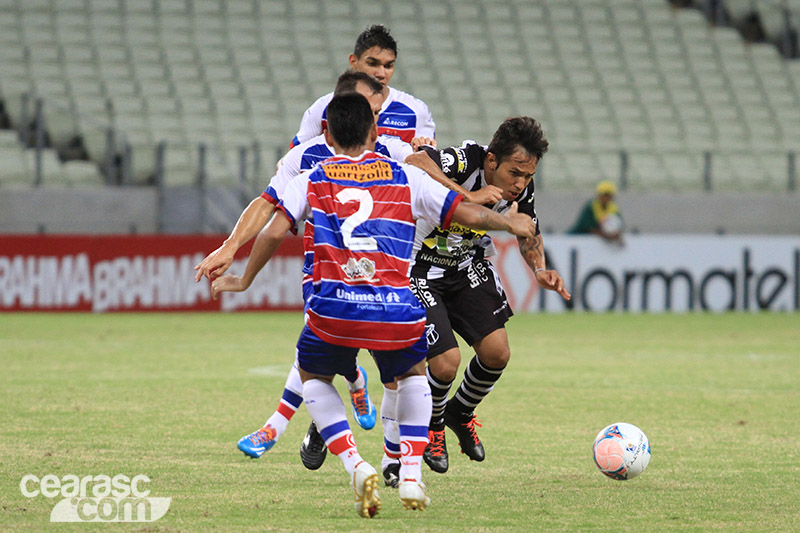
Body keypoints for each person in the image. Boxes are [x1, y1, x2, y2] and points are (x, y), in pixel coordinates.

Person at [209, 93, 539, 516]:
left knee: (313, 377)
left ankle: (354, 462)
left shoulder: (310, 177)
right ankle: (409, 472)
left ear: (327, 136)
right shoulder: (406, 176)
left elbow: (274, 232)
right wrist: (508, 221)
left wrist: (243, 279)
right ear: (374, 133)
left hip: (334, 307)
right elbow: (470, 216)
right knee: (414, 377)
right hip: (395, 307)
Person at [194, 71, 425, 463]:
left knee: (388, 371)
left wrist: (459, 184)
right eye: (370, 111)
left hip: (385, 272)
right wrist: (232, 246)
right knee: (318, 341)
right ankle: (280, 424)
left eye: (376, 112)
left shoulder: (392, 151)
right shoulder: (306, 157)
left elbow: (428, 170)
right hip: (325, 271)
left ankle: (376, 441)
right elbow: (267, 203)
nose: (376, 121)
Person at [392, 117, 572, 475]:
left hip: (464, 265)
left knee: (496, 353)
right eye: (514, 173)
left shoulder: (522, 189)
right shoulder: (465, 161)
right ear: (491, 161)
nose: (520, 184)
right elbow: (416, 161)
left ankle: (460, 412)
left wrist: (539, 269)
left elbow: (528, 233)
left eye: (528, 176)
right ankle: (433, 424)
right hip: (416, 267)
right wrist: (467, 195)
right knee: (446, 363)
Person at [291, 24, 435, 147]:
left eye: (388, 66)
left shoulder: (415, 111)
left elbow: (428, 163)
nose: (381, 73)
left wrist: (422, 150)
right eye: (372, 63)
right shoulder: (324, 108)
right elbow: (294, 158)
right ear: (353, 62)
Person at [567, 180, 625, 245]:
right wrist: (608, 236)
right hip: (578, 236)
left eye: (608, 195)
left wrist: (617, 235)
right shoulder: (591, 206)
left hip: (596, 240)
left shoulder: (614, 208)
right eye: (603, 195)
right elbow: (589, 228)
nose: (605, 198)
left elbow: (620, 226)